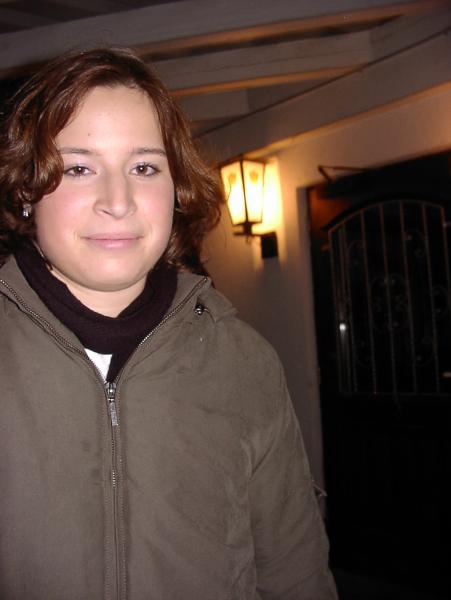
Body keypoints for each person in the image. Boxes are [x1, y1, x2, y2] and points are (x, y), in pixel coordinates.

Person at [0, 48, 337, 600]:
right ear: (26, 191)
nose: (118, 202)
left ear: (175, 189)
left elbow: (295, 572)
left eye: (144, 168)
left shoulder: (244, 360)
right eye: (79, 168)